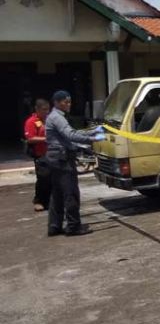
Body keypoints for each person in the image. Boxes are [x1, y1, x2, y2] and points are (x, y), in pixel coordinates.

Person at [45, 90, 105, 237]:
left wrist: (92, 132)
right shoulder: (58, 118)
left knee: (57, 194)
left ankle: (54, 226)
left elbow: (72, 132)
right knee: (71, 193)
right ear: (57, 103)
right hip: (63, 160)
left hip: (55, 159)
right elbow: (70, 135)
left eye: (70, 101)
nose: (69, 104)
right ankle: (73, 226)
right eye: (66, 102)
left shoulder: (55, 117)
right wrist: (93, 139)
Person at [23, 98, 51, 211]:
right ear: (37, 109)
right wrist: (46, 139)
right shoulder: (31, 121)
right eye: (44, 110)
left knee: (52, 178)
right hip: (40, 154)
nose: (46, 112)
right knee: (43, 178)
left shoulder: (48, 120)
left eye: (48, 109)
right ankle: (38, 200)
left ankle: (49, 201)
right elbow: (30, 138)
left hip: (51, 153)